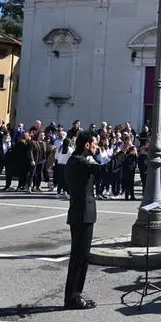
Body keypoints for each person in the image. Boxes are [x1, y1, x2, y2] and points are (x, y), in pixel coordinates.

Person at [64, 131, 102, 310]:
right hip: (82, 214)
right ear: (87, 144)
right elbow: (103, 170)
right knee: (79, 257)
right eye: (95, 143)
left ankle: (76, 294)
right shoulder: (79, 161)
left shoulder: (77, 160)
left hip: (81, 213)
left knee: (82, 257)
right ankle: (72, 297)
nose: (97, 146)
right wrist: (122, 155)